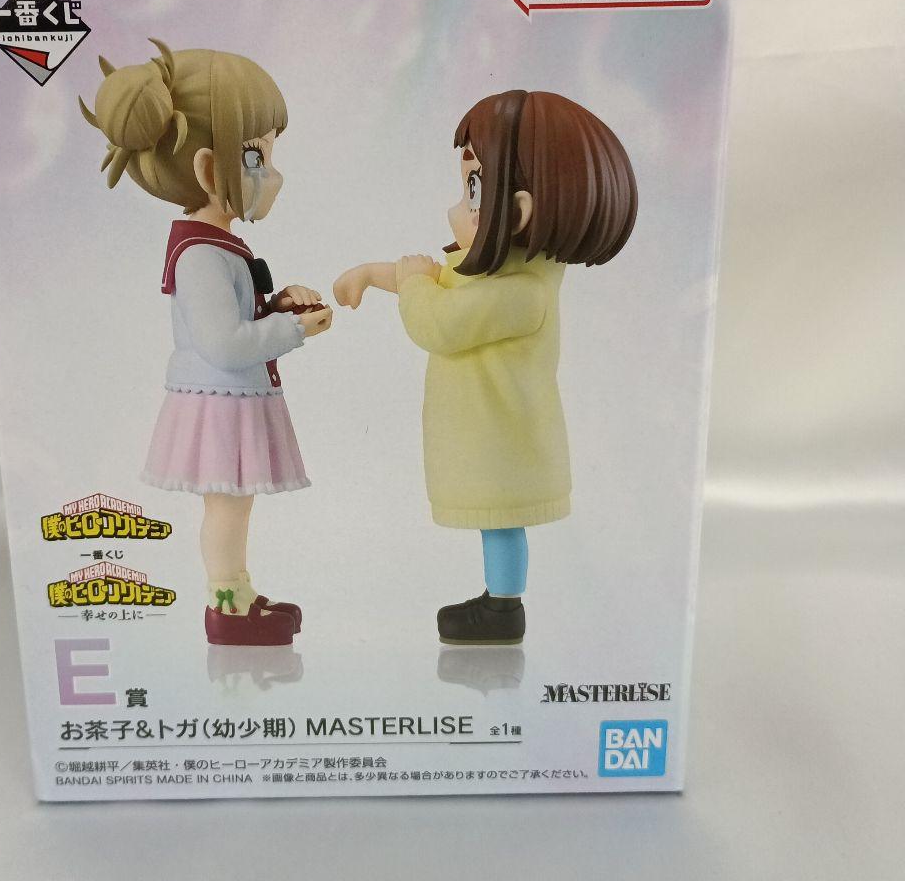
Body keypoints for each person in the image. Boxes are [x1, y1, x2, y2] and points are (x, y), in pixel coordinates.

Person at [334, 90, 637, 644]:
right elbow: (438, 279)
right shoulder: (500, 275)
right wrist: (375, 274)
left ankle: (503, 609)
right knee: (497, 523)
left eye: (475, 187)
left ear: (519, 210)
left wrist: (413, 283)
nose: (459, 204)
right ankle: (497, 600)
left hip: (504, 443)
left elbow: (439, 322)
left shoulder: (523, 293)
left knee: (502, 524)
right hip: (491, 438)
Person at [81, 41, 332, 645]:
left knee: (233, 505)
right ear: (208, 170)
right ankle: (227, 609)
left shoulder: (215, 247)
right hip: (221, 402)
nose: (270, 173)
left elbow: (232, 321)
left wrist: (277, 305)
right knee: (227, 506)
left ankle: (238, 595)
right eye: (256, 155)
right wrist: (294, 330)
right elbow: (223, 343)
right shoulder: (199, 254)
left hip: (229, 398)